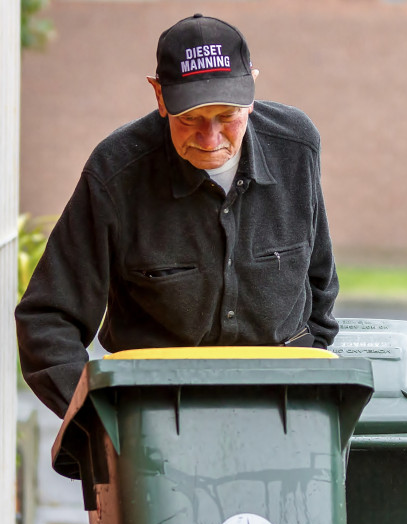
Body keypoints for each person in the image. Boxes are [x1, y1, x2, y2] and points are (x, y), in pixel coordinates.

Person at [15, 14, 339, 419]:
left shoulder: (296, 146)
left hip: (282, 407)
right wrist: (100, 424)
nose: (210, 137)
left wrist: (312, 371)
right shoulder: (116, 172)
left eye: (227, 115)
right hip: (153, 416)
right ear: (159, 96)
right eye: (190, 119)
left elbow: (319, 283)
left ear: (252, 88)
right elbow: (46, 319)